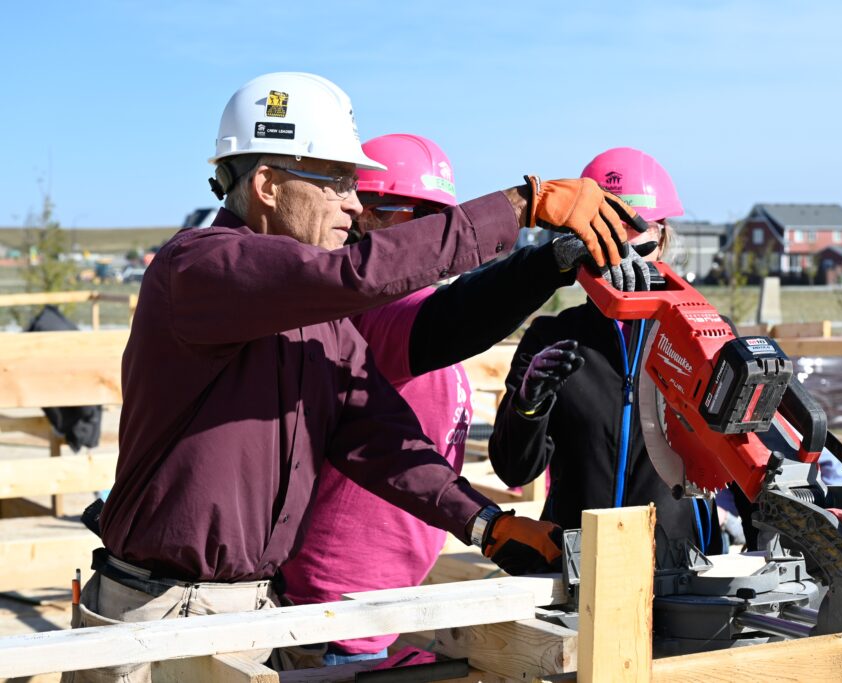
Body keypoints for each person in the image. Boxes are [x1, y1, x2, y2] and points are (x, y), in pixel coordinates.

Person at [67, 72, 645, 682]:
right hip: (155, 613)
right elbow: (360, 277)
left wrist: (484, 523)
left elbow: (376, 431)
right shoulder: (198, 267)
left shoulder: (319, 321)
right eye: (338, 182)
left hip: (249, 613)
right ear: (266, 185)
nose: (353, 203)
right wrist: (521, 208)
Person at [280, 133, 616, 665]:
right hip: (337, 611)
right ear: (362, 215)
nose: (432, 238)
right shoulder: (373, 314)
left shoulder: (400, 309)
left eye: (438, 218)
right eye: (411, 216)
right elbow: (454, 319)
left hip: (387, 604)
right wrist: (549, 261)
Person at [489, 147, 724, 568]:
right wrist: (528, 406)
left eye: (638, 233)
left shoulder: (704, 337)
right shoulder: (553, 337)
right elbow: (513, 471)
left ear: (663, 235)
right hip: (574, 566)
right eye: (610, 231)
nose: (626, 252)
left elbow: (743, 455)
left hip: (676, 569)